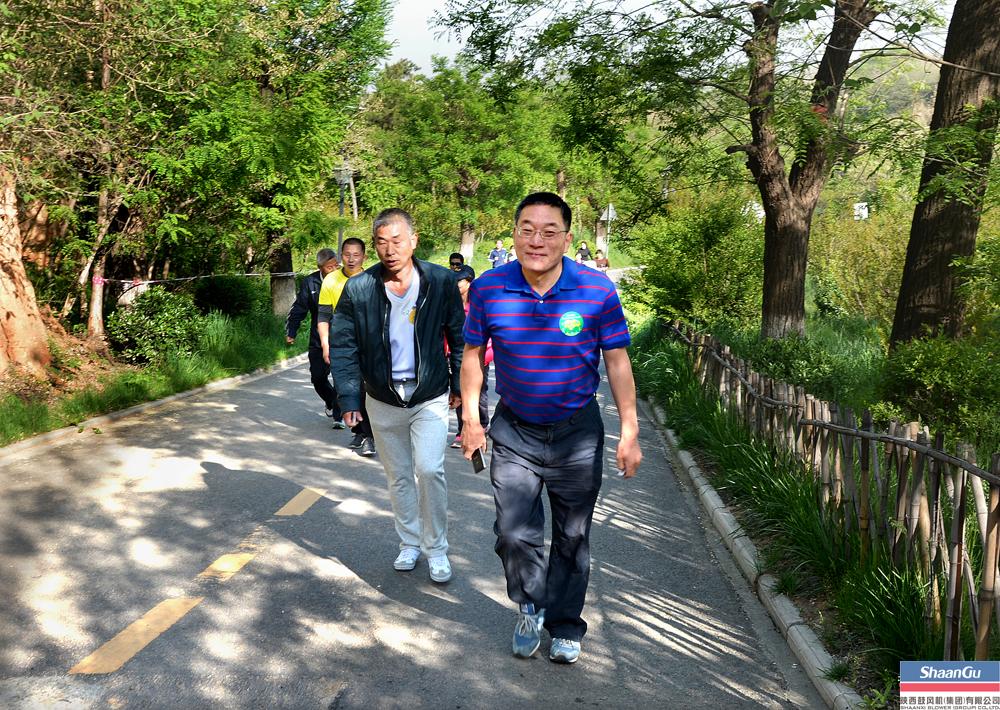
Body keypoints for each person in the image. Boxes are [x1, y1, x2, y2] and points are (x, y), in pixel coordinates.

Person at [460, 191, 642, 664]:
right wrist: (471, 420)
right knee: (513, 532)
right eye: (527, 230)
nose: (536, 241)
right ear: (514, 234)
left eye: (548, 231)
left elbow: (617, 360)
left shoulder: (596, 290)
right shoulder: (489, 288)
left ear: (566, 238)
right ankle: (530, 605)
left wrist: (629, 430)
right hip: (514, 432)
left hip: (576, 434)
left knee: (572, 535)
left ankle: (565, 624)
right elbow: (473, 355)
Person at [330, 208, 465, 584]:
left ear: (413, 241)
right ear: (374, 246)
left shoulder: (440, 281)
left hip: (429, 394)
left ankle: (437, 548)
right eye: (381, 242)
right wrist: (349, 399)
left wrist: (459, 385)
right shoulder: (359, 288)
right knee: (399, 476)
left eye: (397, 240)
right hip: (381, 399)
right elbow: (343, 347)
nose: (390, 249)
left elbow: (459, 337)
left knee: (429, 469)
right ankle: (409, 542)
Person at [317, 238, 375, 456]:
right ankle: (359, 431)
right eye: (347, 255)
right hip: (341, 342)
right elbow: (323, 316)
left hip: (367, 343)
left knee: (365, 388)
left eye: (356, 255)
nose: (351, 259)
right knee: (347, 388)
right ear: (341, 256)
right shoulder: (330, 280)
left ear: (364, 257)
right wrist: (326, 344)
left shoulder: (371, 280)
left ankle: (369, 436)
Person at [285, 248, 344, 427]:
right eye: (329, 267)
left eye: (336, 265)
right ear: (320, 267)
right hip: (318, 339)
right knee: (318, 378)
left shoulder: (345, 279)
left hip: (342, 339)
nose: (334, 270)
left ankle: (339, 416)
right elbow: (299, 308)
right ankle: (331, 400)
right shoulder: (310, 283)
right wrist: (291, 331)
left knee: (340, 379)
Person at [450, 265, 491, 449]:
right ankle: (462, 430)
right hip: (457, 356)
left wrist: (486, 357)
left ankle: (482, 424)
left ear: (469, 282)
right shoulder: (452, 305)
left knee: (479, 395)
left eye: (460, 280)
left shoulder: (477, 304)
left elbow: (488, 337)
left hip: (481, 357)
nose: (457, 284)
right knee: (460, 391)